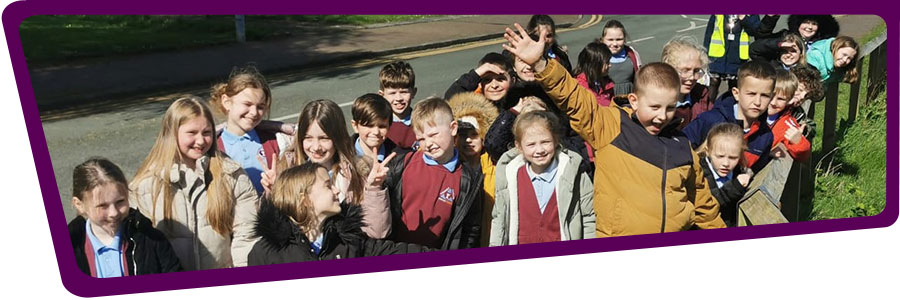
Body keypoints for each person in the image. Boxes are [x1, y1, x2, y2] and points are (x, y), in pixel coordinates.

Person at [502, 23, 725, 236]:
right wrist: (541, 64)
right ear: (634, 100)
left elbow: (703, 206)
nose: (661, 116)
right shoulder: (611, 125)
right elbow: (573, 97)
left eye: (669, 108)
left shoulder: (682, 146)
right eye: (654, 107)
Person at [130, 97, 259, 270]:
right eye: (192, 133)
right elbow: (141, 245)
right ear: (172, 133)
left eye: (206, 133)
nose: (200, 141)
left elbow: (247, 233)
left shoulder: (231, 174)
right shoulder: (146, 184)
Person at [248, 163, 430, 265]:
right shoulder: (265, 253)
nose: (336, 191)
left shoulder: (348, 240)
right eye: (328, 185)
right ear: (305, 199)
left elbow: (395, 253)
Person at [262, 99, 392, 239]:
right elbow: (272, 231)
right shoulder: (287, 168)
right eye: (308, 138)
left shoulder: (358, 172)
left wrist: (374, 188)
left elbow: (377, 233)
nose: (316, 147)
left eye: (324, 138)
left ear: (338, 137)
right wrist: (272, 193)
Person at [381, 97, 484, 249]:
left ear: (453, 128)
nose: (428, 144)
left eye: (434, 134)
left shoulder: (468, 178)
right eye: (421, 139)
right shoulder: (402, 165)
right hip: (397, 252)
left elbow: (471, 228)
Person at [490, 111, 595, 246]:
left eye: (545, 142)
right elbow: (499, 220)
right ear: (519, 146)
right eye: (531, 144)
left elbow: (589, 217)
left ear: (556, 140)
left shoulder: (574, 173)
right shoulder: (509, 176)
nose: (539, 150)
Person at [69, 158, 182, 277]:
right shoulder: (70, 246)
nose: (113, 213)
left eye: (120, 202)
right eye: (102, 206)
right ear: (79, 205)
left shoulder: (151, 240)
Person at [684, 61, 777, 172]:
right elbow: (680, 150)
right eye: (751, 94)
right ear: (736, 93)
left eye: (765, 96)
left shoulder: (765, 136)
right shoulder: (710, 120)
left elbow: (756, 172)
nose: (757, 102)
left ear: (772, 97)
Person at [209, 66, 279, 195]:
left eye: (260, 107)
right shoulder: (212, 146)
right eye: (247, 104)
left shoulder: (274, 141)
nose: (253, 112)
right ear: (227, 102)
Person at [448, 92, 499, 247]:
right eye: (463, 135)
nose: (468, 140)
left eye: (474, 135)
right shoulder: (450, 165)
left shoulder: (495, 164)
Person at [696, 123, 753, 227]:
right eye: (720, 156)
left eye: (733, 158)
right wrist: (735, 187)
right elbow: (707, 205)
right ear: (708, 151)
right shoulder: (699, 173)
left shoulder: (738, 172)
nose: (726, 164)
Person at [703, 14, 762, 101]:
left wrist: (744, 18)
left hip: (737, 55)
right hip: (717, 53)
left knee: (734, 84)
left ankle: (730, 108)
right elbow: (709, 31)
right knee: (713, 81)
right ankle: (707, 108)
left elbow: (756, 31)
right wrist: (705, 52)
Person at [661, 36, 713, 130]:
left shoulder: (701, 95)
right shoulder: (656, 101)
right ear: (668, 69)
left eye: (696, 71)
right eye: (685, 70)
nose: (692, 77)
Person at [767, 70, 811, 162]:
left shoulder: (787, 124)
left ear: (789, 100)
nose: (773, 102)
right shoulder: (749, 112)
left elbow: (804, 156)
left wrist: (798, 142)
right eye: (770, 96)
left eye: (780, 99)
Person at [380, 61, 419, 150]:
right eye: (392, 93)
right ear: (382, 95)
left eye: (404, 92)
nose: (398, 98)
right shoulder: (379, 126)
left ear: (414, 92)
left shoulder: (422, 122)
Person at [350, 93, 398, 162]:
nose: (376, 132)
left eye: (382, 126)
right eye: (369, 125)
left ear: (389, 126)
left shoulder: (400, 158)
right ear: (355, 126)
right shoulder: (340, 154)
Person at [598, 20, 642, 95]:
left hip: (629, 101)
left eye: (619, 39)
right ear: (602, 40)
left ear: (624, 39)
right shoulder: (597, 56)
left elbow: (640, 79)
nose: (615, 44)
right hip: (607, 102)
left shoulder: (632, 54)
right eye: (610, 40)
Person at [574, 41, 615, 107]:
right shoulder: (580, 86)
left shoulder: (606, 83)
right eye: (607, 62)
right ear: (595, 64)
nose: (610, 65)